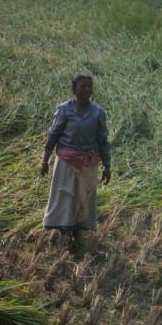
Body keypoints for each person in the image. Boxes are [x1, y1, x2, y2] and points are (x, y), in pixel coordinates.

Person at [40, 75, 111, 250]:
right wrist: (44, 160)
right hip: (66, 162)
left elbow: (103, 141)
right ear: (74, 89)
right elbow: (53, 136)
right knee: (65, 197)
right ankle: (63, 233)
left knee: (84, 198)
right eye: (82, 87)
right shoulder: (64, 109)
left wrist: (107, 166)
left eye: (89, 87)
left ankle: (79, 233)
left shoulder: (98, 113)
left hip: (89, 163)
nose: (86, 90)